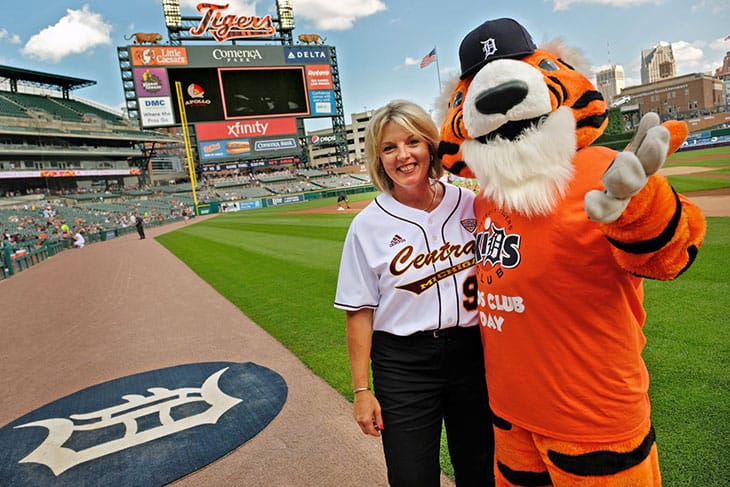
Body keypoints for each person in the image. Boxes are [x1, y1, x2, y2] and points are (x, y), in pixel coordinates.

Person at [334, 100, 494, 486]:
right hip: (404, 363)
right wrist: (361, 390)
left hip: (474, 351)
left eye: (412, 142)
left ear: (430, 146)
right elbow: (358, 311)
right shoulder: (366, 225)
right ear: (378, 158)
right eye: (389, 148)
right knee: (411, 476)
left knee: (482, 467)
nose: (402, 156)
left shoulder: (470, 203)